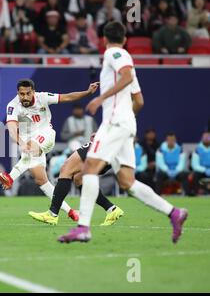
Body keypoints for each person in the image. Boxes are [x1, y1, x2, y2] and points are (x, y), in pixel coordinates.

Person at [58, 21, 188, 244]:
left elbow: (126, 77)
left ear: (103, 40)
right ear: (125, 38)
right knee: (127, 182)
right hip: (125, 123)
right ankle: (174, 213)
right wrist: (126, 121)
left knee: (88, 168)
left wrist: (101, 99)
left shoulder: (114, 53)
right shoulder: (125, 58)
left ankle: (83, 228)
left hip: (116, 122)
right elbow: (139, 100)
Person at [29, 80, 145, 227]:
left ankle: (52, 214)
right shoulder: (122, 106)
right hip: (111, 144)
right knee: (78, 178)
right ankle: (111, 209)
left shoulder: (121, 103)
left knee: (66, 168)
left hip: (107, 143)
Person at [0, 78, 99, 222]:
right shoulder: (13, 105)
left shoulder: (42, 97)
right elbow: (11, 128)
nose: (24, 97)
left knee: (32, 146)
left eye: (27, 93)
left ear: (33, 92)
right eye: (21, 94)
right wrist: (20, 142)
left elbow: (67, 97)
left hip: (46, 135)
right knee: (41, 181)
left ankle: (10, 177)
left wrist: (87, 92)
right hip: (27, 143)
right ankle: (71, 212)